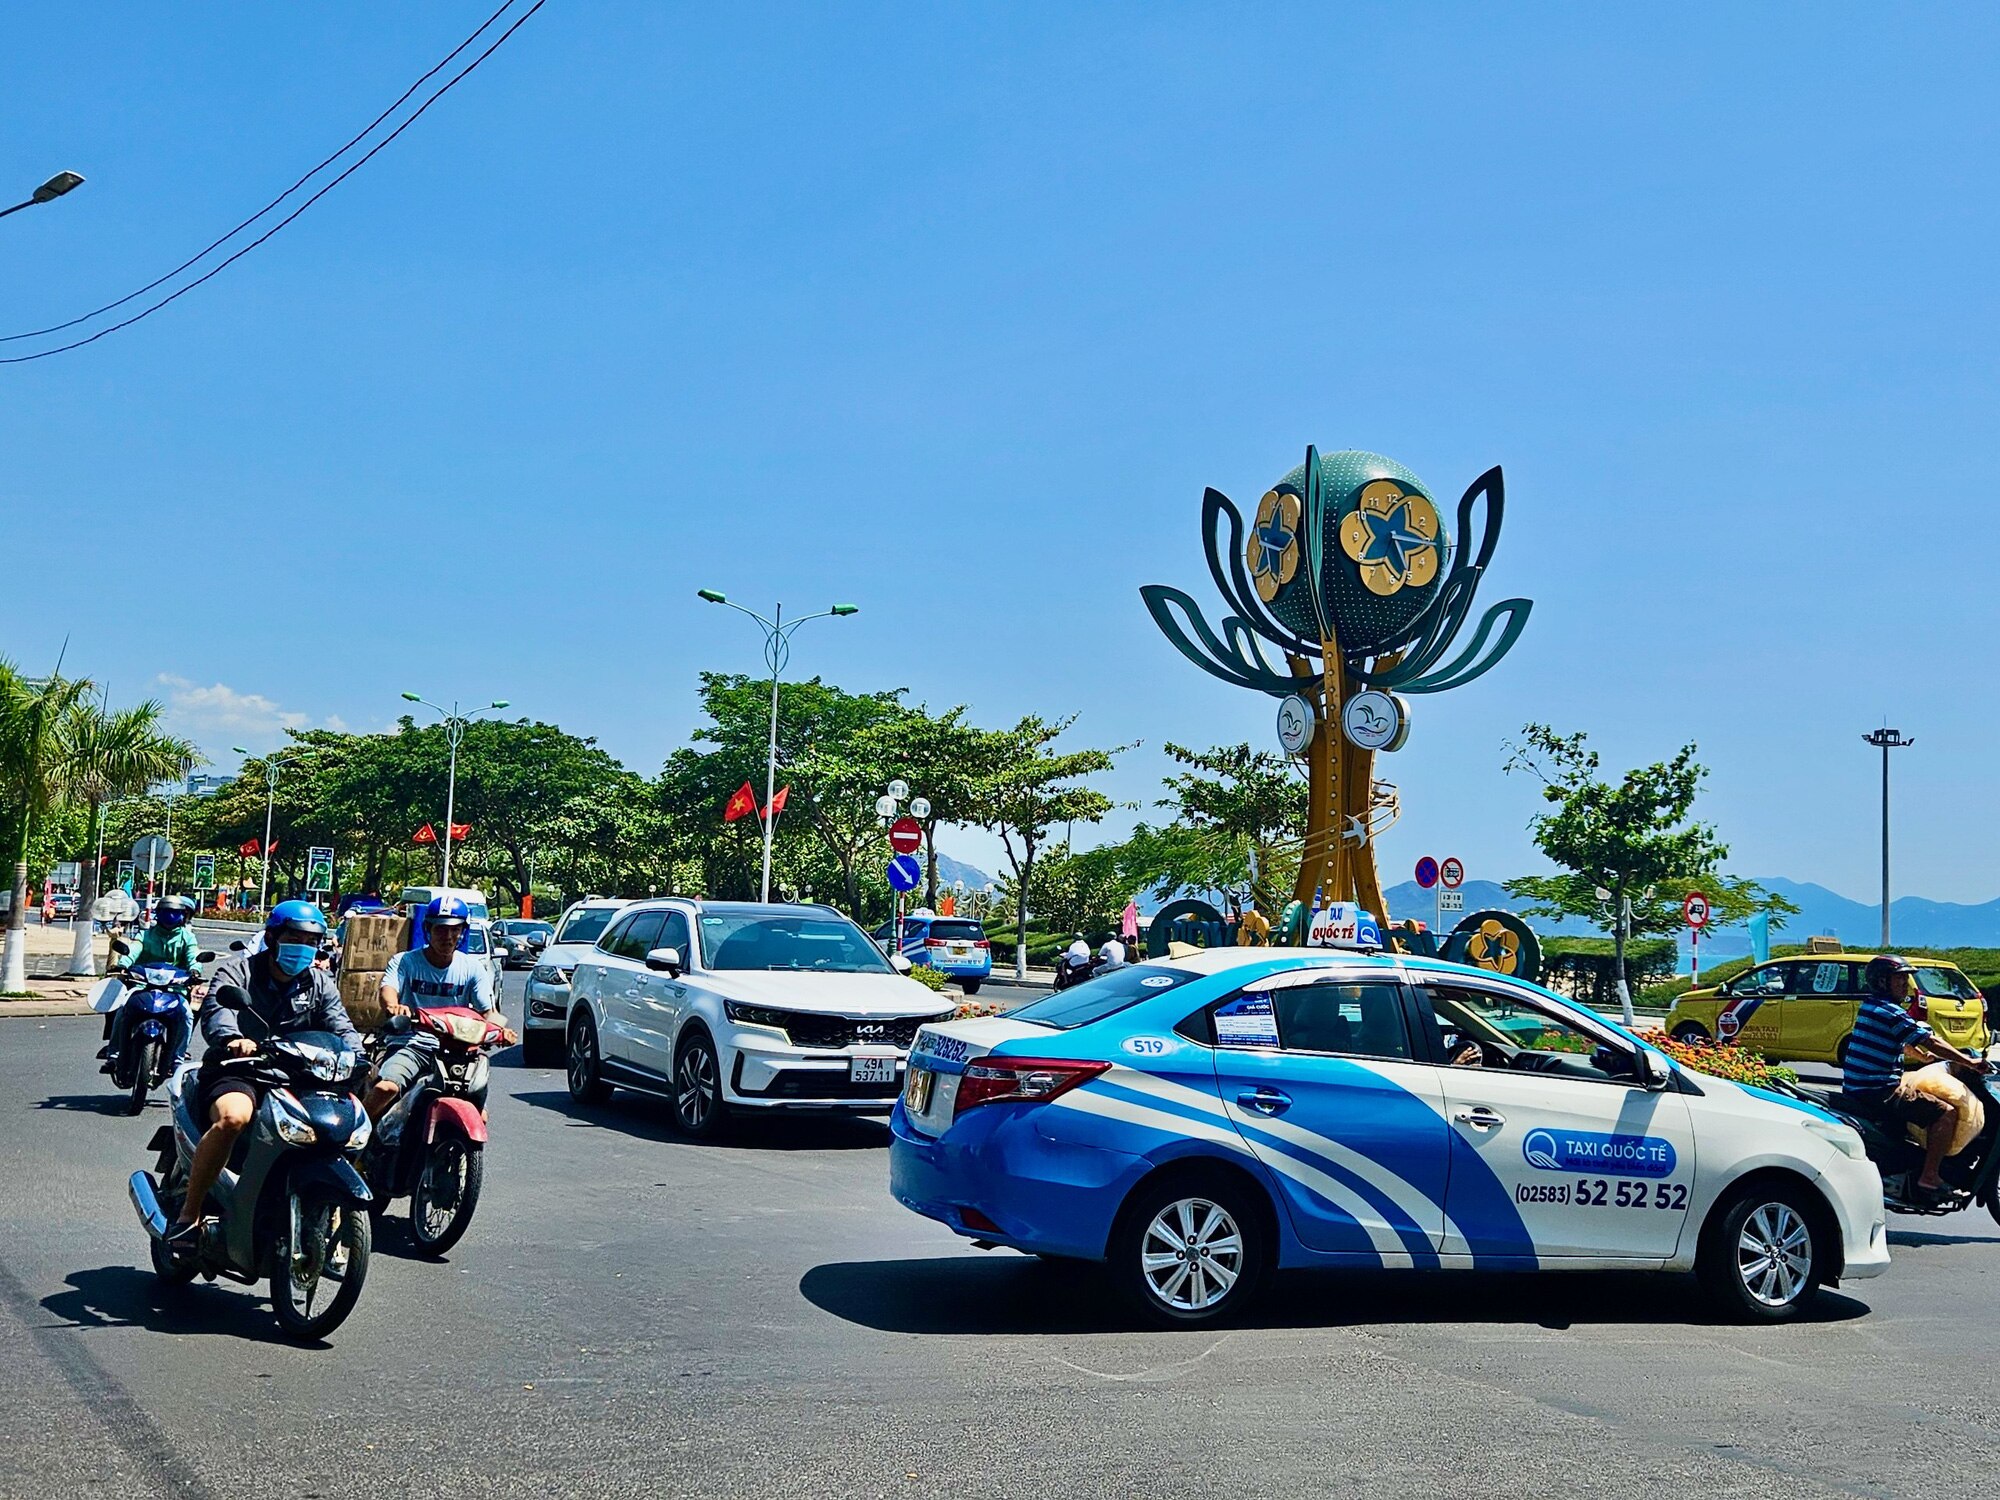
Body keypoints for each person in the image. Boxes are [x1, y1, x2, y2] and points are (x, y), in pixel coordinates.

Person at [166, 900, 360, 1251]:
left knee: (343, 1128)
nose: (302, 947)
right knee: (233, 1118)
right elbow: (217, 1010)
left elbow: (340, 1025)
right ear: (272, 937)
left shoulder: (320, 983)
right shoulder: (238, 972)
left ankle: (329, 1217)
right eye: (294, 937)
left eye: (311, 941)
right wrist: (233, 1039)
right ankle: (188, 1216)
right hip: (240, 1070)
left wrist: (357, 1055)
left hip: (299, 1077)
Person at [1842, 954, 1986, 1202]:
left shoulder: (1872, 1006)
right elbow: (1928, 1039)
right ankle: (1929, 1176)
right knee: (1945, 1112)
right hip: (1877, 1089)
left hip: (1863, 1085)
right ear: (1881, 982)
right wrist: (1970, 1062)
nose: (1905, 984)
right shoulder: (1888, 1011)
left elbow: (1906, 1042)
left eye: (1905, 978)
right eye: (1898, 979)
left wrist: (1922, 1057)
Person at [363, 896, 511, 1123]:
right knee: (386, 1088)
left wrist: (501, 1030)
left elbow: (487, 1012)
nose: (448, 936)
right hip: (411, 1044)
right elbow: (388, 990)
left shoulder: (472, 968)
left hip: (458, 1052)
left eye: (455, 930)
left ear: (462, 932)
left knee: (480, 1115)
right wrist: (394, 1006)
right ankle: (355, 1136)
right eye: (441, 929)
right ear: (428, 929)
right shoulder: (405, 961)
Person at [100, 893, 206, 1072]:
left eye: (175, 912)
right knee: (122, 1009)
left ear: (183, 915)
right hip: (142, 986)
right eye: (166, 911)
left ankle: (177, 1058)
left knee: (187, 1015)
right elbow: (133, 950)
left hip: (174, 988)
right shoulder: (145, 935)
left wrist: (195, 971)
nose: (170, 916)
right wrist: (122, 965)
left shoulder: (188, 938)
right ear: (158, 913)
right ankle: (114, 1055)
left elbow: (193, 956)